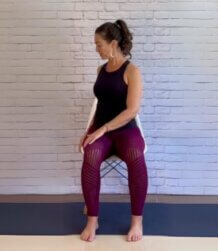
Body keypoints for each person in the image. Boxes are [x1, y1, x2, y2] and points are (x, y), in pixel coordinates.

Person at [78, 19, 148, 242]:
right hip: (102, 131)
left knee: (136, 158)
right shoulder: (101, 69)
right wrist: (91, 130)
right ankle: (92, 219)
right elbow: (100, 105)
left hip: (126, 131)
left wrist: (104, 129)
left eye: (99, 44)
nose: (96, 48)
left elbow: (132, 110)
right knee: (90, 155)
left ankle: (137, 221)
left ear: (113, 43)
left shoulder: (132, 71)